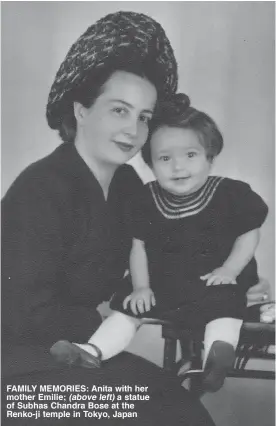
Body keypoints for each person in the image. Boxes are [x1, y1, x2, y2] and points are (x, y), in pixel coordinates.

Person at [2, 11, 218, 426]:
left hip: (81, 354)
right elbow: (21, 313)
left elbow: (165, 259)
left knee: (184, 414)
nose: (134, 131)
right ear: (81, 109)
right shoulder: (39, 188)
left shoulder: (128, 187)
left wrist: (231, 275)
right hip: (21, 366)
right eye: (119, 110)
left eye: (144, 117)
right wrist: (104, 318)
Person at [50, 94, 269, 395]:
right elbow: (138, 246)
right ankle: (93, 351)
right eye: (165, 158)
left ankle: (216, 358)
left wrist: (230, 269)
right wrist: (141, 286)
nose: (178, 167)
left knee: (225, 305)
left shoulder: (230, 194)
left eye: (190, 155)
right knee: (128, 309)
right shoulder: (144, 200)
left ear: (210, 157)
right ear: (151, 164)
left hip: (215, 278)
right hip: (164, 283)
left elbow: (249, 233)